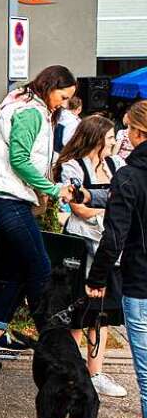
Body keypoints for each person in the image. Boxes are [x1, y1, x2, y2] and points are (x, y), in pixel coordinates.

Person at [0, 65, 78, 359]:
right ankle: (52, 343)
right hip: (10, 198)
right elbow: (19, 159)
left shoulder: (26, 103)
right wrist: (54, 189)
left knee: (21, 267)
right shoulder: (31, 111)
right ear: (51, 86)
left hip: (6, 195)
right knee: (41, 268)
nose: (63, 103)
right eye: (63, 96)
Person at [86, 100, 147, 418]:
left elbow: (114, 236)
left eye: (127, 128)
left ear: (140, 134)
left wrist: (97, 278)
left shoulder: (129, 176)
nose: (124, 135)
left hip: (141, 281)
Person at [54, 115, 127, 397]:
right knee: (78, 311)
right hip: (81, 244)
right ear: (96, 138)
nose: (114, 142)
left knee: (103, 313)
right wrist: (111, 205)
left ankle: (95, 372)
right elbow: (78, 209)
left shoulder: (115, 165)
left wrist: (106, 205)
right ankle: (73, 372)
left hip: (108, 246)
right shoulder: (73, 165)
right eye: (109, 138)